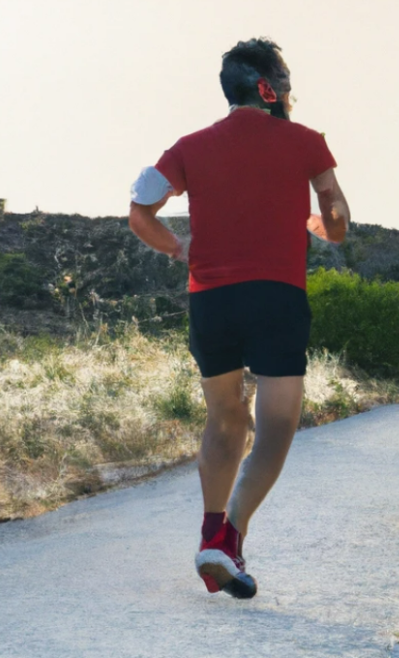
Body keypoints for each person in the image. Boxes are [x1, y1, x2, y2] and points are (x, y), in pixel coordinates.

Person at [128, 38, 350, 599]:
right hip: (275, 296)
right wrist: (319, 227)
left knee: (226, 419)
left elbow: (138, 211)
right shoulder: (307, 143)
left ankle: (210, 533)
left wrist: (179, 249)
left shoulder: (187, 147)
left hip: (212, 299)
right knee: (275, 428)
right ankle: (228, 539)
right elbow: (337, 215)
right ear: (272, 88)